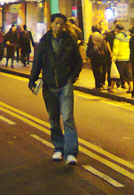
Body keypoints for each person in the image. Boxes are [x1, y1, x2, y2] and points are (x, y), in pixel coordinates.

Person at [28, 13, 83, 166]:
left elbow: (78, 62)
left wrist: (72, 77)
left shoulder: (69, 41)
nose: (59, 26)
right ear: (51, 24)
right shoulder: (44, 41)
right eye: (56, 23)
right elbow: (37, 62)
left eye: (61, 24)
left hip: (65, 84)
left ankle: (70, 152)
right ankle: (58, 148)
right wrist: (32, 79)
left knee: (67, 118)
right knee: (53, 120)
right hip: (49, 85)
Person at [112, 23, 132, 93]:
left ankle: (112, 87)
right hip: (127, 56)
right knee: (128, 73)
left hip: (120, 57)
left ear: (117, 29)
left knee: (116, 73)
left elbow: (116, 47)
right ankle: (131, 87)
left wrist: (114, 56)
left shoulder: (118, 37)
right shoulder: (128, 37)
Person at [86, 25, 106, 90]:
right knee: (101, 69)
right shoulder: (101, 36)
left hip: (94, 54)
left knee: (95, 70)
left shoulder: (92, 36)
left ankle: (97, 84)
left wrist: (88, 55)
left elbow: (89, 45)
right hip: (101, 54)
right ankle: (101, 83)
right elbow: (104, 45)